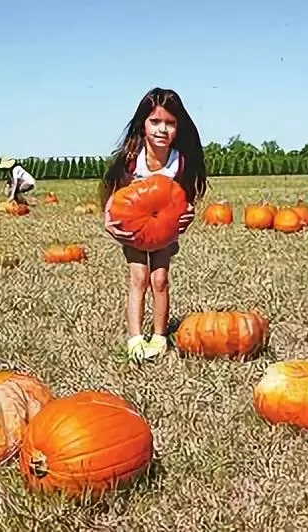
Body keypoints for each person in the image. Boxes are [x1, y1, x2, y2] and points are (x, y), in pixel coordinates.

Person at [100, 87, 206, 363]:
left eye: (170, 123)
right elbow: (115, 192)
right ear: (143, 124)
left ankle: (159, 337)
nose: (162, 129)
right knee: (139, 278)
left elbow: (185, 199)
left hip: (164, 229)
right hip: (133, 228)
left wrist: (188, 215)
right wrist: (109, 219)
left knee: (160, 279)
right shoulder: (132, 158)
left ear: (178, 127)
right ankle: (135, 339)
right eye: (155, 121)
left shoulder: (179, 161)